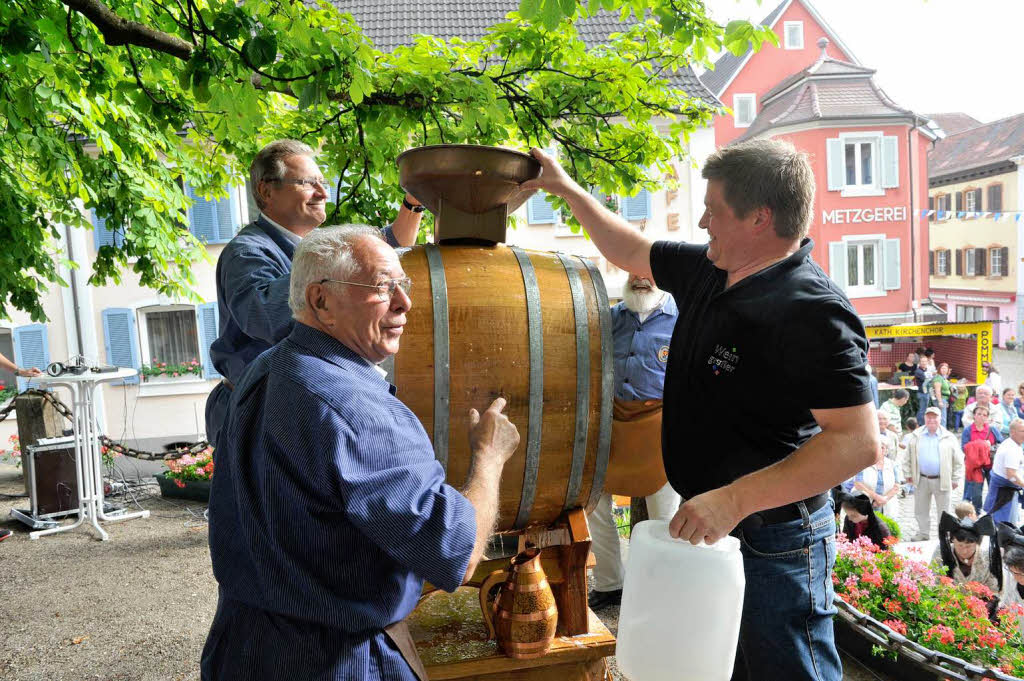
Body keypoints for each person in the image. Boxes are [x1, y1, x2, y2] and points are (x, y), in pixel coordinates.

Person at [521, 139, 877, 681]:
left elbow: (856, 441)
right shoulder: (711, 268)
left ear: (760, 218)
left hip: (775, 537)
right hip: (715, 520)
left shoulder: (812, 311)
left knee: (788, 669)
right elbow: (630, 248)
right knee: (721, 665)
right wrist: (564, 187)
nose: (703, 218)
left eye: (714, 208)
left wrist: (733, 500)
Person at [201, 225, 521, 681]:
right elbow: (456, 553)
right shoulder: (358, 411)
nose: (404, 304)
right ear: (321, 301)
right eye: (381, 287)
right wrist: (488, 458)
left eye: (402, 285)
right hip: (334, 662)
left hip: (241, 648)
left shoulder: (263, 368)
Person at [203, 139, 425, 448]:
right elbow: (265, 319)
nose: (323, 193)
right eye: (309, 183)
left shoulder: (312, 247)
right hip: (256, 414)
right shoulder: (247, 252)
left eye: (323, 183)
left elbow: (388, 244)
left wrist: (414, 202)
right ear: (267, 191)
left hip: (292, 407)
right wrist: (332, 269)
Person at [587, 273, 680, 610]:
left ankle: (661, 590)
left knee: (664, 517)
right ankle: (611, 584)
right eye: (633, 273)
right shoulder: (611, 318)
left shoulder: (682, 319)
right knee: (595, 505)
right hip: (614, 424)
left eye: (649, 272)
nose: (640, 279)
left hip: (660, 428)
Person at [904, 407, 964, 542]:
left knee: (944, 511)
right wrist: (907, 473)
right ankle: (923, 533)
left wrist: (955, 478)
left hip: (942, 479)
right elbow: (907, 456)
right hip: (921, 478)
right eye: (928, 417)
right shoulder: (916, 435)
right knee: (920, 509)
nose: (931, 420)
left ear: (940, 418)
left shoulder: (948, 437)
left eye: (934, 417)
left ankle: (944, 535)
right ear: (924, 418)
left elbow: (958, 460)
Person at [930, 512, 999, 594]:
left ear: (977, 543)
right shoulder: (941, 553)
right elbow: (932, 582)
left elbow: (994, 590)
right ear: (952, 540)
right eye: (960, 545)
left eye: (969, 546)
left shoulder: (987, 558)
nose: (964, 551)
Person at [983, 418, 1024, 525]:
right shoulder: (1011, 449)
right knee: (1004, 528)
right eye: (1022, 431)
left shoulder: (1013, 444)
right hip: (1003, 494)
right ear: (1012, 432)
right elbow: (1011, 475)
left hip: (1005, 491)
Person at [962, 404, 1002, 513]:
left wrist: (990, 447)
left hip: (991, 466)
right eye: (979, 414)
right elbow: (964, 447)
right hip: (975, 468)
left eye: (984, 415)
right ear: (974, 415)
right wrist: (981, 445)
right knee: (976, 495)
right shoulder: (968, 430)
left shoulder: (992, 429)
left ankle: (992, 515)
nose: (981, 416)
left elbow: (1001, 444)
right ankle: (977, 515)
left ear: (987, 418)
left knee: (993, 492)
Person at [844, 441, 899, 517]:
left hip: (886, 503)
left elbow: (896, 486)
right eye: (877, 447)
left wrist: (884, 499)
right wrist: (876, 497)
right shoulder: (863, 463)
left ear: (886, 451)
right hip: (865, 500)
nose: (880, 449)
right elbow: (858, 484)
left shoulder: (893, 464)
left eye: (882, 447)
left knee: (885, 526)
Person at [998, 524, 1024, 637]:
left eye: (1021, 574)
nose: (1017, 578)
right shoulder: (1010, 576)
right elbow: (1006, 602)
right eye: (1014, 573)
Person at [925, 362, 952, 428]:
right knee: (942, 418)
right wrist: (940, 401)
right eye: (942, 368)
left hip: (944, 399)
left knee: (942, 417)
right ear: (939, 369)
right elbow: (937, 391)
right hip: (940, 399)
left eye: (945, 368)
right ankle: (942, 433)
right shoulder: (938, 378)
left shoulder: (944, 378)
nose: (944, 370)